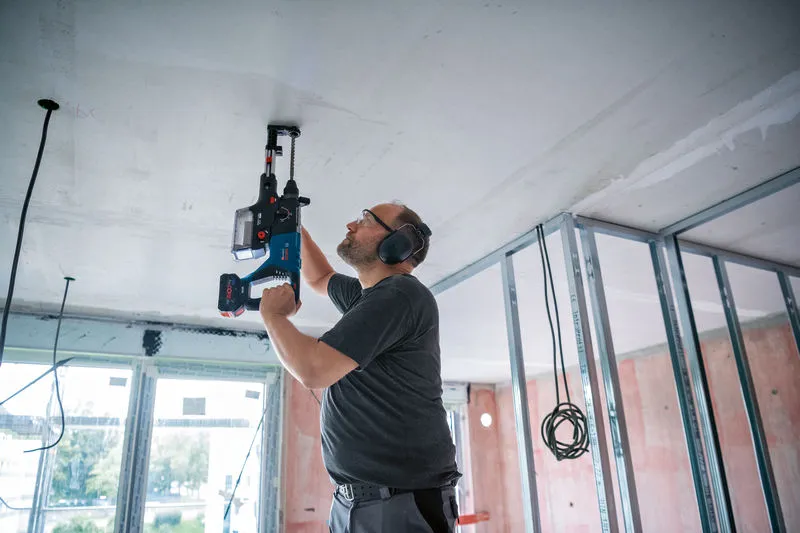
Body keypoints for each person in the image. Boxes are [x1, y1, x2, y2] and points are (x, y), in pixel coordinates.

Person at [259, 201, 461, 532]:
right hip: (363, 501)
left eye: (365, 220)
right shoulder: (369, 297)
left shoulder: (400, 294)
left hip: (398, 503)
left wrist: (273, 317)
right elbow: (320, 278)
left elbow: (313, 369)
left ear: (399, 242)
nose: (351, 225)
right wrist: (294, 226)